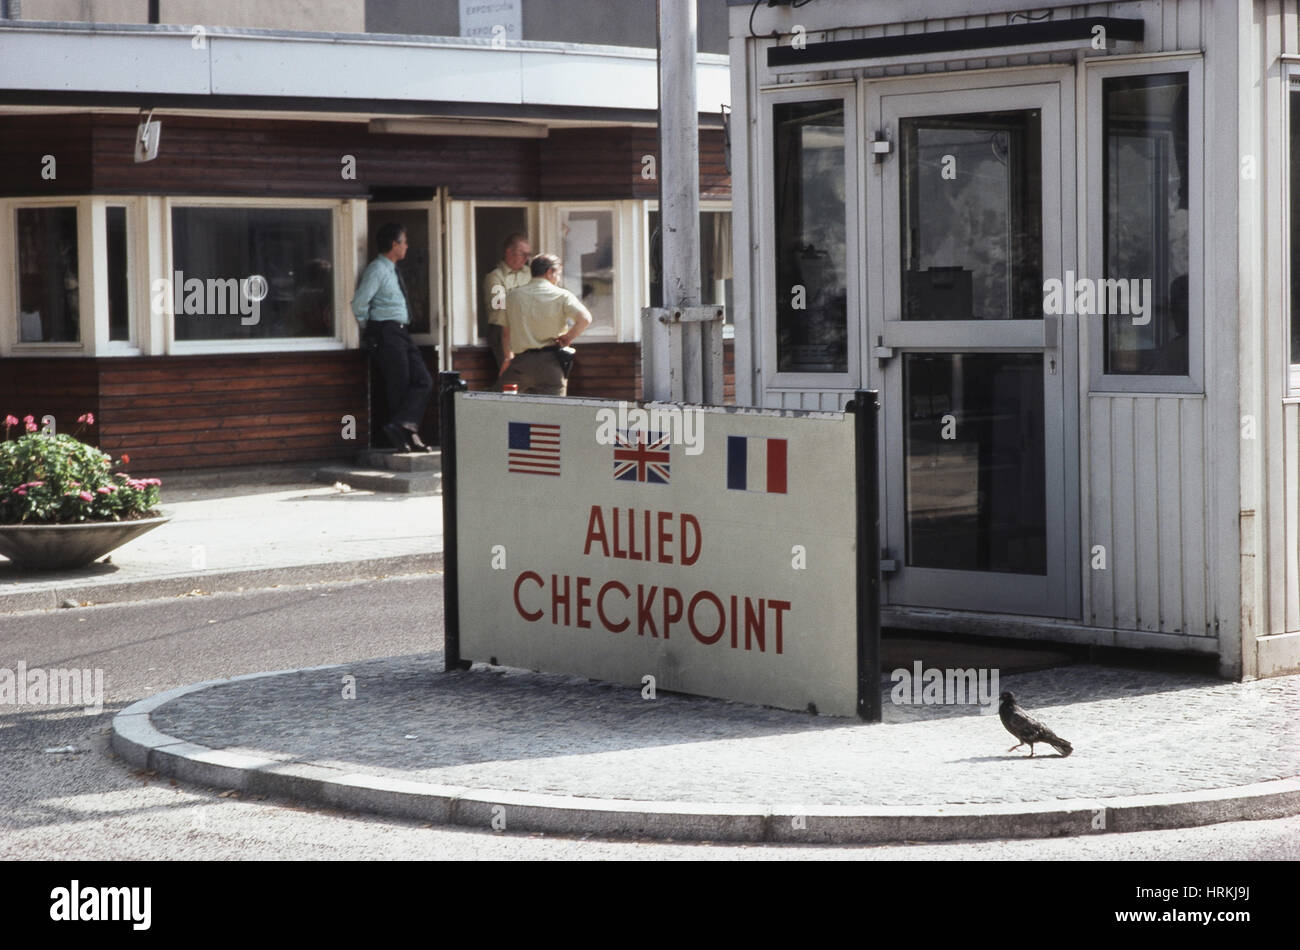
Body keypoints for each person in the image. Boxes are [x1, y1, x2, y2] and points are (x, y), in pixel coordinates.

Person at [351, 223, 433, 451]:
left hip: (401, 331)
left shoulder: (393, 269)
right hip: (386, 331)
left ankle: (403, 426)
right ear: (394, 244)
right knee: (399, 384)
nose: (407, 246)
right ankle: (405, 437)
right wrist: (372, 327)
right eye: (404, 242)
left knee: (423, 380)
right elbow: (359, 303)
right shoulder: (377, 269)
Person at [498, 254, 592, 396]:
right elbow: (585, 319)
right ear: (549, 272)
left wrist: (508, 358)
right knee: (553, 413)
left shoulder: (512, 297)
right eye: (558, 274)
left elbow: (506, 334)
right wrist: (568, 337)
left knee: (499, 405)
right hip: (551, 364)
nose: (558, 278)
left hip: (520, 365)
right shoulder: (562, 295)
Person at [483, 232, 532, 371]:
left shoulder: (530, 273)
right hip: (502, 329)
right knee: (511, 372)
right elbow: (499, 306)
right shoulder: (495, 276)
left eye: (529, 254)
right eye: (522, 254)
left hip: (526, 328)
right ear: (509, 252)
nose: (526, 258)